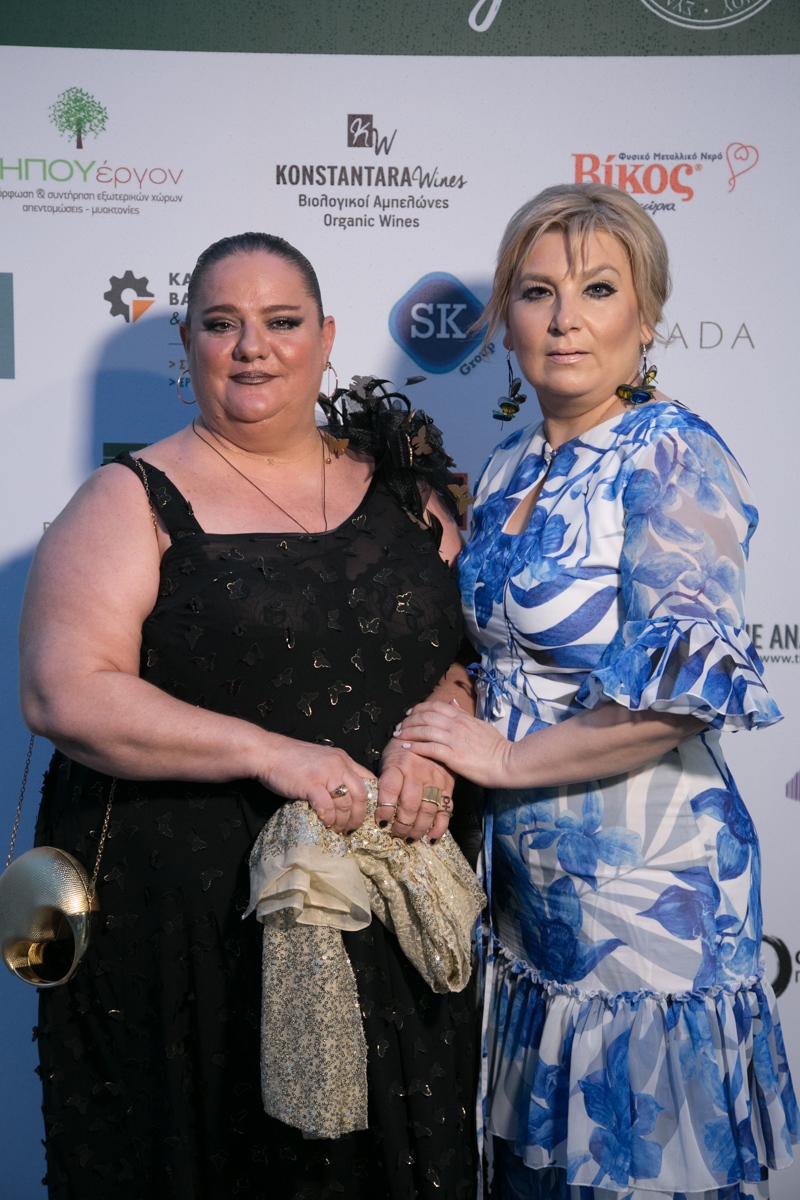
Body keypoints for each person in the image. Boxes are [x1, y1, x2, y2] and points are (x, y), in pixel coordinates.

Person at [19, 232, 478, 1200]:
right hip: (193, 936)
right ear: (187, 343)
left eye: (281, 321)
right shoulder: (127, 498)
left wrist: (439, 732)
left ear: (326, 337)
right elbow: (64, 691)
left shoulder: (412, 494)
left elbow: (466, 652)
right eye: (222, 323)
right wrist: (274, 754)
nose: (252, 346)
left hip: (392, 925)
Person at [396, 183, 799, 1199]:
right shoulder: (505, 466)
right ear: (506, 321)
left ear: (646, 317)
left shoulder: (673, 454)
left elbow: (682, 695)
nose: (564, 318)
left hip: (649, 896)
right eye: (537, 292)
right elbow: (489, 650)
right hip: (529, 900)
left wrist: (501, 757)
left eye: (598, 289)